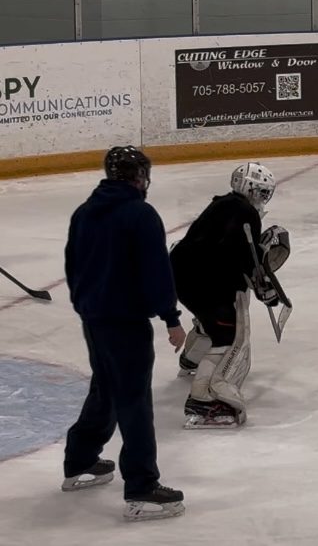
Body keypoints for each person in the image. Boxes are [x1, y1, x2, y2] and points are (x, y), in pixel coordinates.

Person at [63, 145, 187, 521]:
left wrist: (87, 306)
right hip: (126, 323)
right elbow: (157, 272)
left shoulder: (84, 212)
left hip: (94, 319)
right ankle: (142, 486)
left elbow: (72, 266)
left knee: (106, 388)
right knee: (133, 399)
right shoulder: (141, 214)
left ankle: (80, 460)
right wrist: (171, 318)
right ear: (139, 177)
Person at [169, 162, 289, 429]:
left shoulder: (225, 204)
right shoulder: (245, 212)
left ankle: (193, 357)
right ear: (250, 188)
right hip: (202, 282)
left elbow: (226, 251)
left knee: (212, 317)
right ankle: (205, 401)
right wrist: (263, 286)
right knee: (231, 336)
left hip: (185, 276)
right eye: (261, 191)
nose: (263, 198)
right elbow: (238, 255)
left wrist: (258, 274)